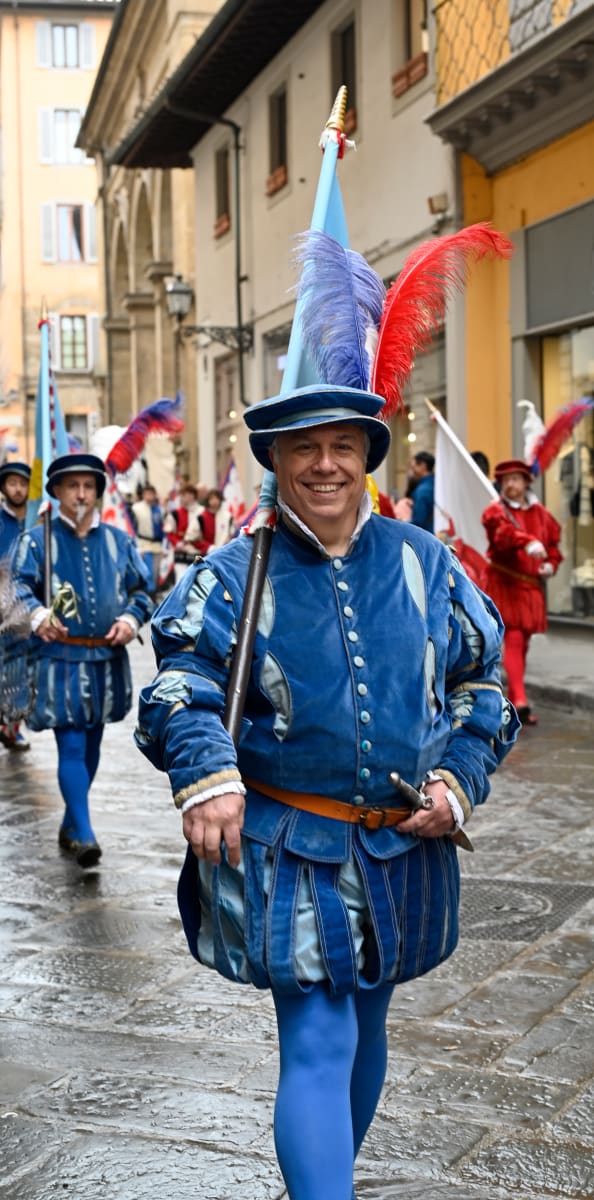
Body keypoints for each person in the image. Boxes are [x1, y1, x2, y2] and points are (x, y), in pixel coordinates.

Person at [135, 383, 518, 1200]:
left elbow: (482, 682)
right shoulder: (232, 574)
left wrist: (457, 779)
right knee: (316, 1037)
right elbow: (177, 685)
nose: (325, 464)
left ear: (368, 460)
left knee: (368, 1025)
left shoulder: (425, 560)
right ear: (275, 461)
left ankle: (322, 1180)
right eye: (304, 447)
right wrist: (205, 774)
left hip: (399, 843)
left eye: (343, 445)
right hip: (289, 847)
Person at [14, 453, 153, 867]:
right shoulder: (37, 540)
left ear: (97, 492)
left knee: (91, 744)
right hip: (58, 659)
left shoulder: (119, 541)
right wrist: (38, 615)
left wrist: (131, 619)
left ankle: (73, 820)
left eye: (88, 486)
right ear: (56, 492)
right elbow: (16, 587)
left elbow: (142, 591)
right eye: (72, 486)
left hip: (106, 660)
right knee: (71, 744)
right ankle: (86, 834)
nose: (80, 493)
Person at [482, 458, 562, 726]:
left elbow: (553, 548)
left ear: (526, 482)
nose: (510, 485)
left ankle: (516, 692)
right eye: (506, 481)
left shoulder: (542, 515)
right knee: (514, 637)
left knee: (524, 641)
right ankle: (520, 700)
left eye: (515, 479)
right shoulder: (497, 512)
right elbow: (501, 538)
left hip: (530, 585)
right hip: (506, 582)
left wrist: (551, 564)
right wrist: (526, 542)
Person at [0, 460, 32, 750]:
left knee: (21, 667)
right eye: (12, 483)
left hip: (24, 605)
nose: (18, 489)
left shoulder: (35, 520)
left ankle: (12, 725)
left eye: (22, 484)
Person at [131, 482, 164, 596]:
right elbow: (132, 526)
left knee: (156, 572)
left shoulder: (159, 510)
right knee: (146, 571)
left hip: (157, 545)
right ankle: (147, 594)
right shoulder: (136, 508)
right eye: (147, 493)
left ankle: (154, 593)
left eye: (151, 494)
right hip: (143, 543)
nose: (149, 496)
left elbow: (163, 527)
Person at [393, 450, 435, 531]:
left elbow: (418, 522)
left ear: (423, 466)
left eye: (414, 467)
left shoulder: (423, 490)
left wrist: (400, 524)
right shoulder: (435, 484)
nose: (412, 471)